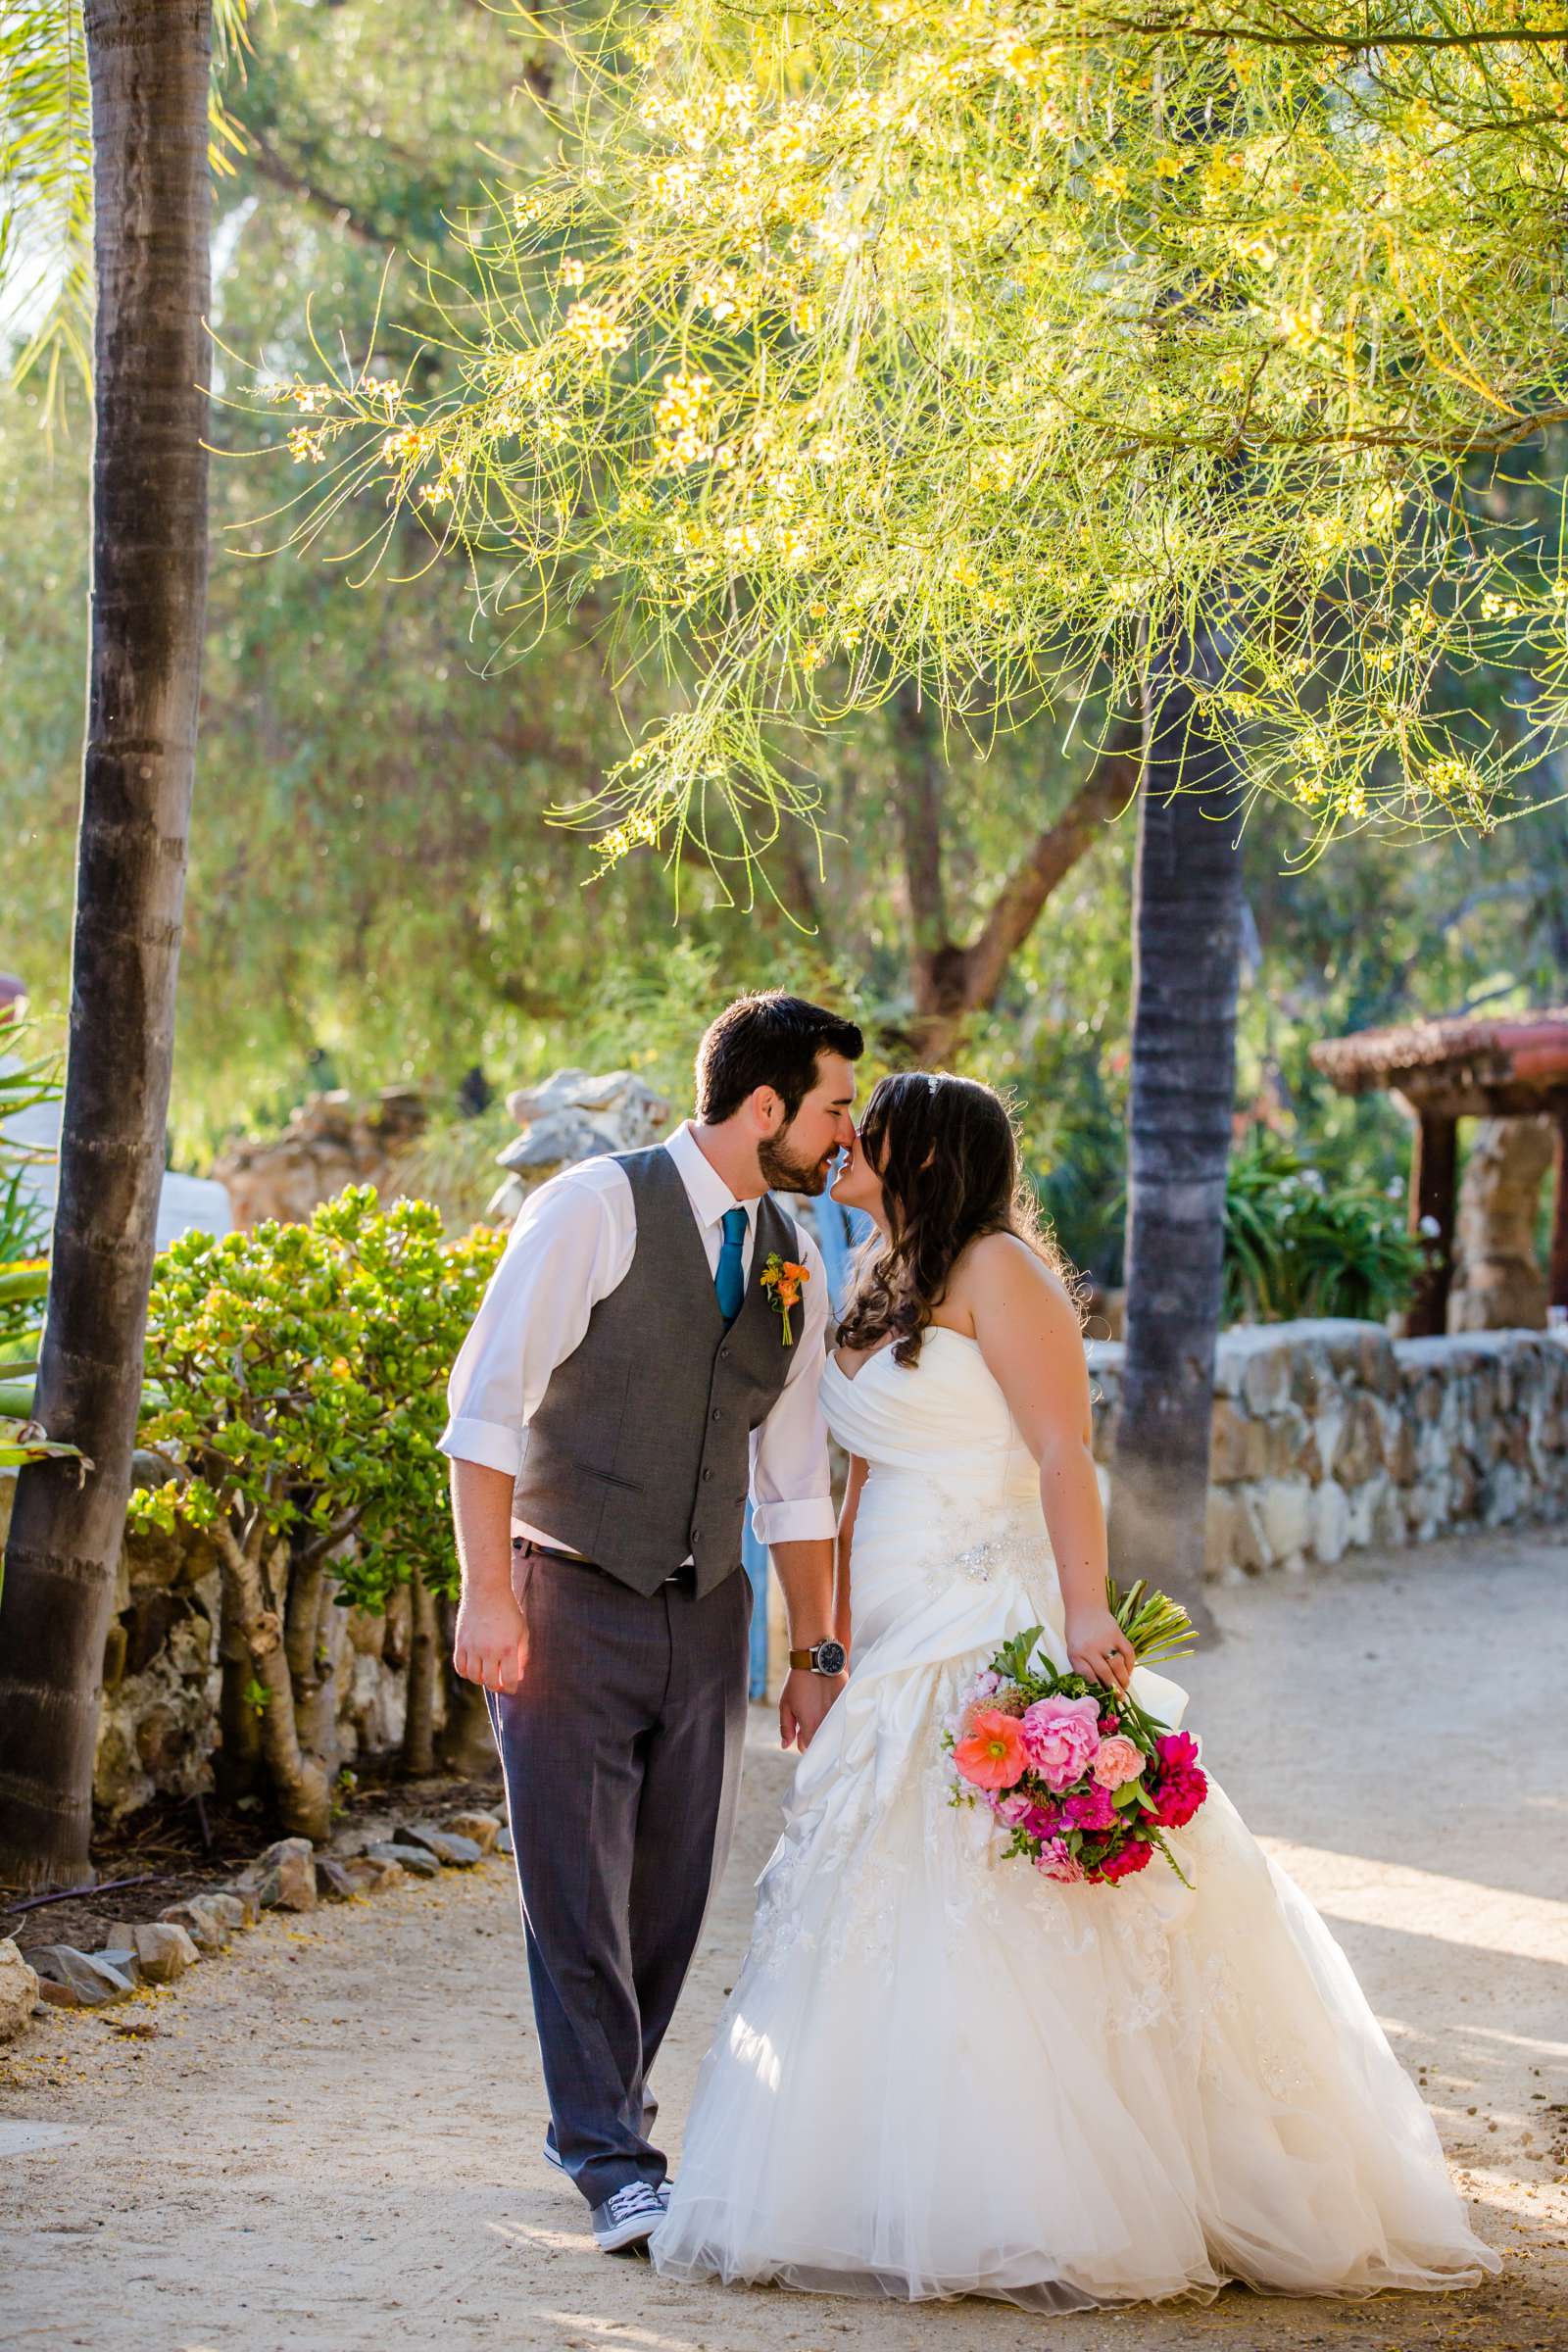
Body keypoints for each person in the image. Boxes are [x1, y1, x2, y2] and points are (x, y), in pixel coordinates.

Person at [652, 1071, 1498, 2309]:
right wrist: (824, 1642)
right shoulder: (875, 1276)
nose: (847, 1140)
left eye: (867, 1126)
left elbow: (1062, 1451)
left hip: (985, 1611)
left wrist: (1084, 1605)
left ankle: (1051, 2197)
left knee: (1002, 1888)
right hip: (889, 1617)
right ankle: (881, 2180)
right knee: (872, 1881)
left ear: (925, 1153)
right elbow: (854, 1480)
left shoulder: (1001, 1270)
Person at [442, 993, 861, 2256]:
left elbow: (793, 1481)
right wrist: (488, 1590)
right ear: (766, 1106)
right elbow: (486, 1409)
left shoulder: (796, 1251)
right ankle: (613, 2157)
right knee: (574, 1891)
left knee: (669, 1898)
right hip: (567, 1591)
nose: (847, 1134)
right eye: (834, 1106)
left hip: (706, 1617)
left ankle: (610, 2115)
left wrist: (812, 1652)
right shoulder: (595, 1206)